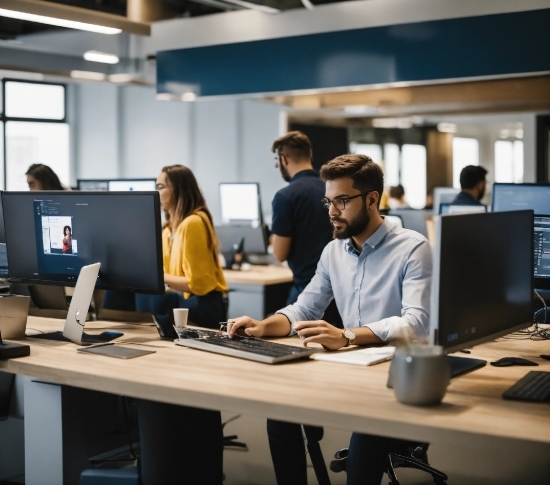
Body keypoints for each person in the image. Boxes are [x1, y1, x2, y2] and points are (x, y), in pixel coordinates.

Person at [228, 154, 432, 485]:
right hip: (350, 369)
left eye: (341, 201)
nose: (332, 212)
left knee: (366, 440)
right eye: (328, 201)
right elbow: (305, 308)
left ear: (371, 199)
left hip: (397, 372)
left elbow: (417, 323)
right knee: (279, 414)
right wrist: (265, 325)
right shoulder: (333, 251)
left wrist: (348, 336)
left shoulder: (412, 248)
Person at [135, 165, 229, 329]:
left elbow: (198, 284)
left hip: (204, 305)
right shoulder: (169, 229)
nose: (156, 193)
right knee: (134, 293)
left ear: (178, 189)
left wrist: (154, 276)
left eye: (160, 187)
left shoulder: (192, 223)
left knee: (149, 299)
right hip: (187, 300)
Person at [271, 131, 333, 305]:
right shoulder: (331, 188)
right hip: (341, 288)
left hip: (308, 289)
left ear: (284, 159)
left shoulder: (285, 196)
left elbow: (279, 253)